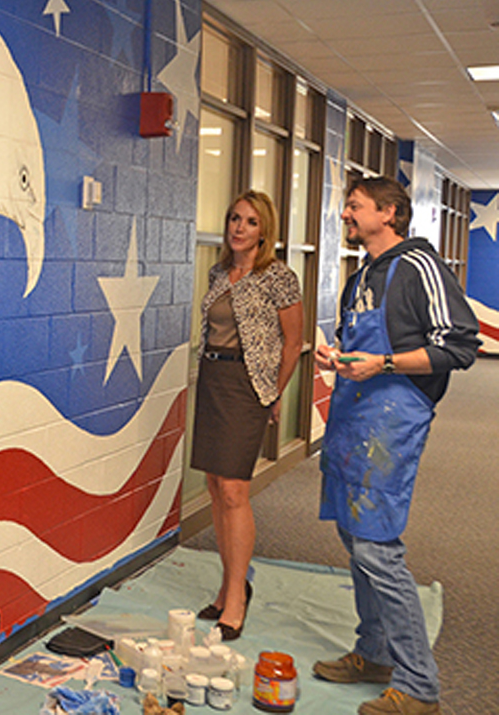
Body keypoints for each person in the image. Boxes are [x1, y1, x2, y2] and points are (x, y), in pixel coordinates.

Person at [313, 176, 479, 715]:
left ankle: (419, 686)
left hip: (392, 419)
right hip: (352, 416)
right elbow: (358, 344)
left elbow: (457, 344)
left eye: (355, 206)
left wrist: (382, 364)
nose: (345, 215)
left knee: (376, 547)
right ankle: (375, 652)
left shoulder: (419, 266)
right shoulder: (362, 275)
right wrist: (337, 356)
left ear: (388, 212)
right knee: (353, 534)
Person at [191, 190, 303, 641]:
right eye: (235, 218)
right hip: (213, 379)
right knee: (216, 486)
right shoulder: (220, 272)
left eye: (250, 222)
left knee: (236, 489)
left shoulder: (278, 275)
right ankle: (225, 586)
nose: (240, 227)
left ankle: (237, 596)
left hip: (248, 386)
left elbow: (291, 342)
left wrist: (274, 392)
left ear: (264, 231)